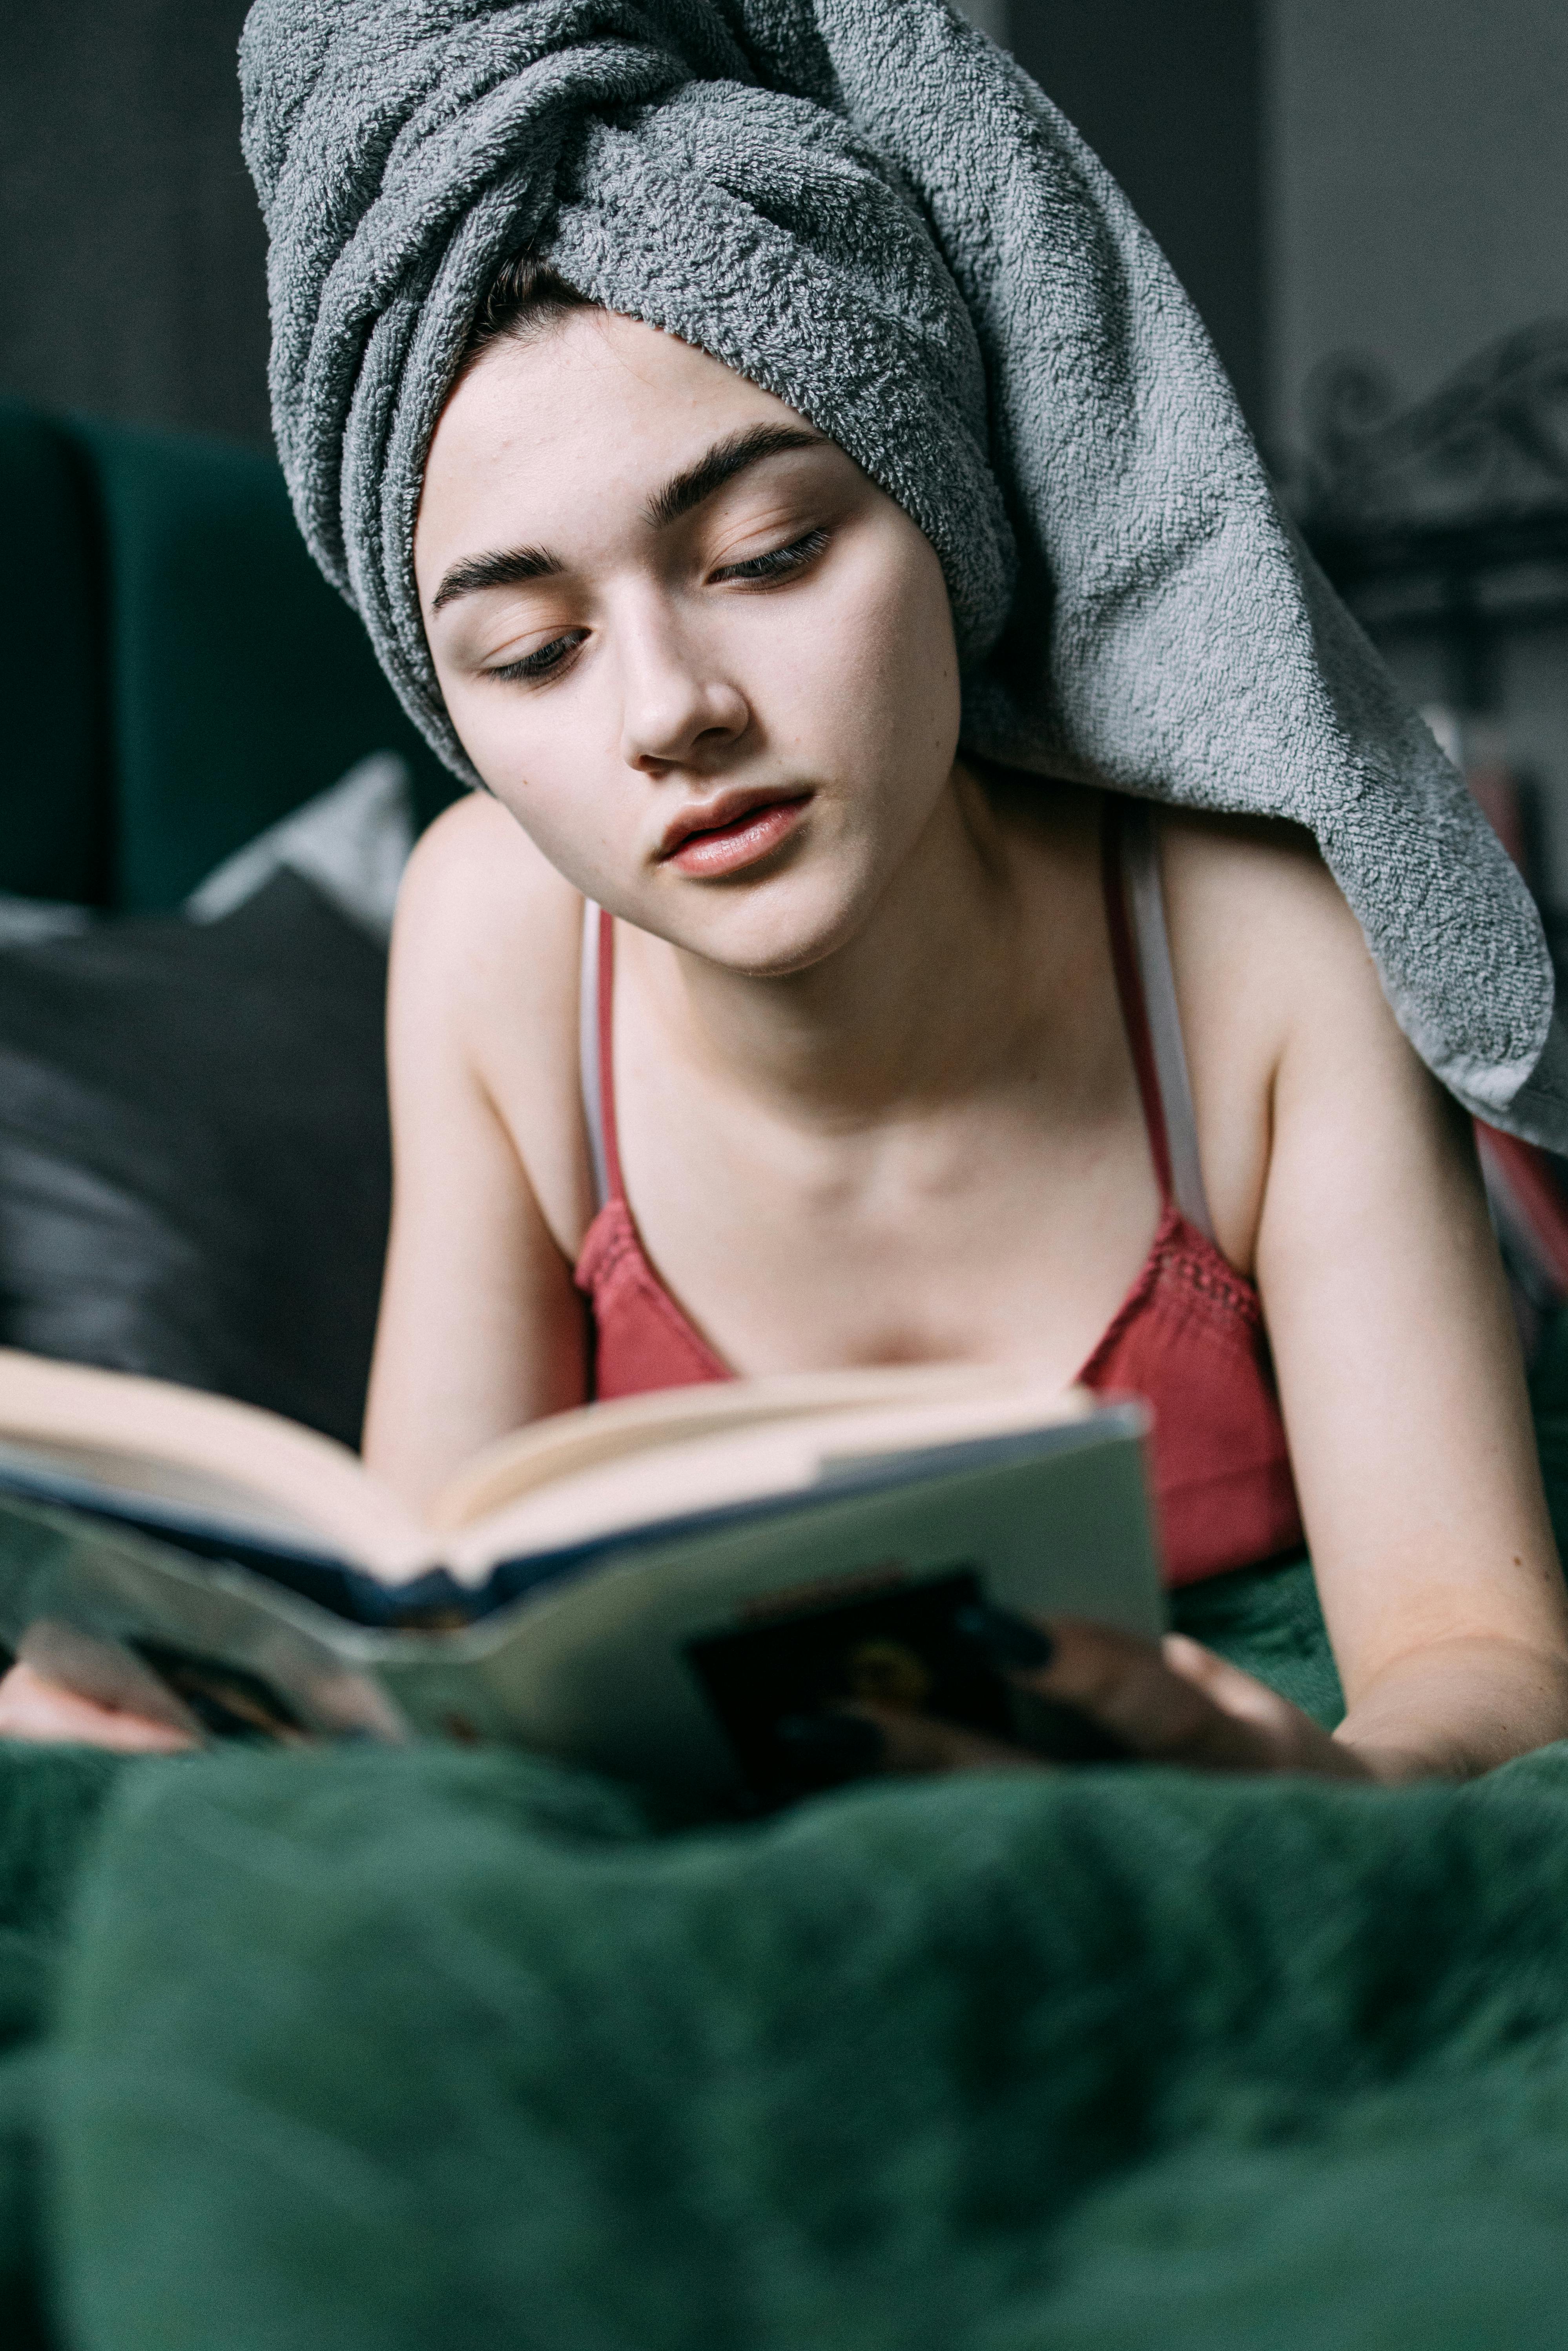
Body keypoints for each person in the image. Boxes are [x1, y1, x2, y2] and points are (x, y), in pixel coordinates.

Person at [5, 0, 1568, 1772]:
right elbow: (421, 1630)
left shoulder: (1259, 949)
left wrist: (1302, 1781)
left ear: (940, 504)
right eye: (530, 651)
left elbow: (1483, 1662)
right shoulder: (487, 934)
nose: (674, 711)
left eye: (770, 552)